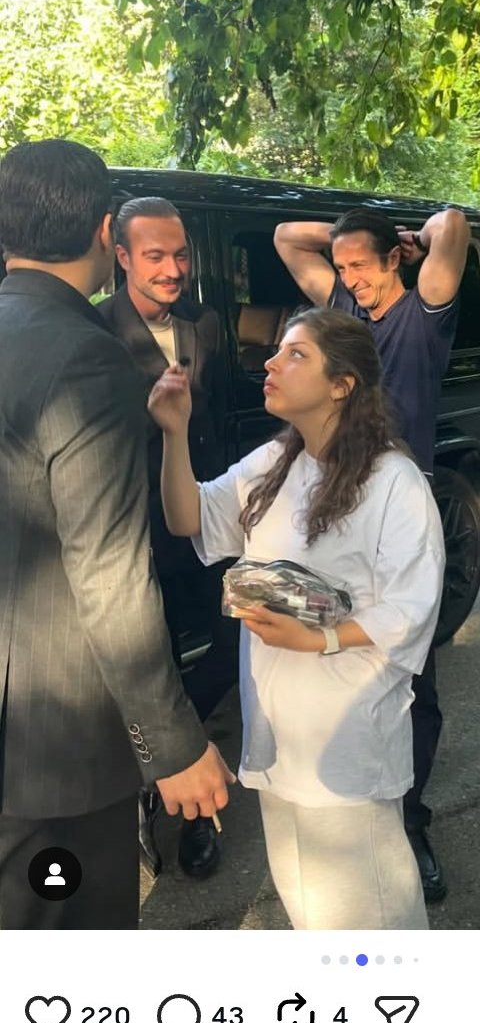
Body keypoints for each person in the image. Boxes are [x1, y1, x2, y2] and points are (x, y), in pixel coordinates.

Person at [0, 139, 235, 930]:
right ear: (108, 234)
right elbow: (106, 577)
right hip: (56, 744)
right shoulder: (86, 355)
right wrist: (172, 743)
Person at [148, 307, 445, 929]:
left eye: (295, 354)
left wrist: (319, 638)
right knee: (309, 907)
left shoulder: (394, 481)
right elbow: (188, 517)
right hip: (277, 729)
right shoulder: (276, 461)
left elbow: (412, 606)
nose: (272, 363)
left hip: (347, 740)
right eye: (277, 351)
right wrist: (175, 432)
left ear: (342, 384)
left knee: (371, 920)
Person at [273, 205, 470, 901]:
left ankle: (411, 822)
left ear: (395, 259)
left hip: (399, 517)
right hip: (331, 514)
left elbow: (454, 225)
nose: (350, 276)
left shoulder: (424, 312)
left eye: (362, 263)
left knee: (410, 673)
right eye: (343, 265)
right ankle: (340, 800)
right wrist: (347, 234)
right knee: (333, 656)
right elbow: (285, 236)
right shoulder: (340, 308)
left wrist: (414, 237)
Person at [99, 197, 237, 880]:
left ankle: (173, 765)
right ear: (121, 255)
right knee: (159, 666)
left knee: (229, 647)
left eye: (180, 255)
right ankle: (183, 803)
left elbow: (221, 423)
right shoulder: (94, 333)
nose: (172, 269)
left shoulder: (203, 325)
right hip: (131, 538)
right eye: (155, 255)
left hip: (204, 525)